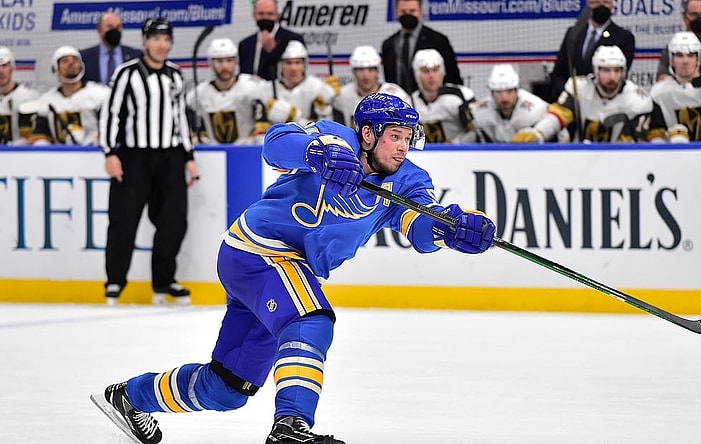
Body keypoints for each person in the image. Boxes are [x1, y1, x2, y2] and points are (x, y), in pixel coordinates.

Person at [90, 92, 496, 444]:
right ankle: (291, 425)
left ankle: (131, 397)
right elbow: (276, 142)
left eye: (408, 138)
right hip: (257, 248)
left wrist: (451, 229)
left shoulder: (407, 180)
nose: (403, 147)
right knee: (312, 318)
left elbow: (420, 222)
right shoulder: (334, 139)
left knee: (228, 387)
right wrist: (314, 153)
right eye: (394, 136)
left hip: (278, 271)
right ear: (368, 134)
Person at [98, 17, 199, 305]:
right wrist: (110, 152)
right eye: (155, 38)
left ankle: (164, 280)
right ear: (145, 41)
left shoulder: (176, 75)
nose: (161, 44)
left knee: (174, 221)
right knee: (123, 220)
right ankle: (115, 281)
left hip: (170, 157)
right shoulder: (127, 73)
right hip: (134, 157)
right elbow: (110, 113)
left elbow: (181, 118)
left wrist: (188, 157)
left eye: (166, 39)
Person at [519, 46, 653, 143]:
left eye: (617, 70)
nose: (612, 77)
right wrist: (538, 133)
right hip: (579, 157)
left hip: (620, 161)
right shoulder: (579, 88)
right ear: (595, 71)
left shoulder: (637, 100)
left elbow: (635, 142)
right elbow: (557, 115)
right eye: (606, 70)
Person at [186, 38, 301, 145]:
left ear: (236, 62)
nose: (225, 66)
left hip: (247, 152)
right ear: (210, 63)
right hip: (214, 156)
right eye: (219, 61)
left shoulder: (253, 86)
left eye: (229, 60)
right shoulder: (198, 94)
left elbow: (288, 114)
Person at [550, 0, 635, 100]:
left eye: (606, 2)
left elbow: (619, 77)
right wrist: (567, 93)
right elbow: (559, 72)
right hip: (572, 101)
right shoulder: (573, 33)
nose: (601, 6)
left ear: (612, 6)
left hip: (605, 101)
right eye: (596, 2)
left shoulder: (623, 37)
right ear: (588, 5)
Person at [25, 46, 109, 146]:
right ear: (56, 68)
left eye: (75, 60)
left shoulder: (99, 94)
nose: (71, 63)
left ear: (81, 65)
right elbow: (40, 134)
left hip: (95, 153)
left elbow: (110, 128)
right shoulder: (46, 100)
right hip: (59, 157)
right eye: (65, 61)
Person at [382, 0, 462, 93]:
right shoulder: (389, 44)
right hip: (399, 103)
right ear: (396, 12)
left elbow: (453, 78)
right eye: (403, 12)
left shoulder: (438, 41)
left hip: (432, 103)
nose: (408, 15)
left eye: (412, 11)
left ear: (420, 11)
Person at [410, 49, 477, 143]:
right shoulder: (410, 101)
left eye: (435, 70)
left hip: (460, 154)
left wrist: (456, 145)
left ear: (443, 72)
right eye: (426, 71)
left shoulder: (461, 95)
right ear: (416, 74)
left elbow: (477, 131)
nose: (431, 76)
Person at [332, 45, 410, 126]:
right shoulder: (343, 95)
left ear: (377, 71)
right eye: (360, 70)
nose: (366, 75)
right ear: (353, 72)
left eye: (371, 69)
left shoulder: (395, 94)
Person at [471, 64, 549, 143]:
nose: (504, 98)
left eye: (509, 91)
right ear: (492, 93)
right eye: (498, 92)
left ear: (516, 91)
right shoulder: (479, 111)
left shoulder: (537, 107)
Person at [238, 0, 305, 80]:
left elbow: (297, 75)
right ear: (254, 15)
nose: (265, 17)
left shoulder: (293, 39)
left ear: (277, 16)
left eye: (270, 14)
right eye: (261, 14)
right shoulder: (245, 44)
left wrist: (274, 51)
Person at [274, 40, 337, 124]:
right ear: (280, 65)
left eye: (297, 62)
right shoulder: (270, 88)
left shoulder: (316, 87)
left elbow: (327, 127)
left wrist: (325, 109)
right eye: (288, 63)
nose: (293, 68)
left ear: (305, 65)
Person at [80, 12, 143, 86]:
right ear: (99, 30)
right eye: (110, 27)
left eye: (118, 27)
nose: (114, 31)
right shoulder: (84, 57)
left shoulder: (136, 56)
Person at [0, 46, 40, 145]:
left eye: (4, 65)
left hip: (20, 155)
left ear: (12, 67)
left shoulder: (28, 96)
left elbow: (34, 134)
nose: (0, 71)